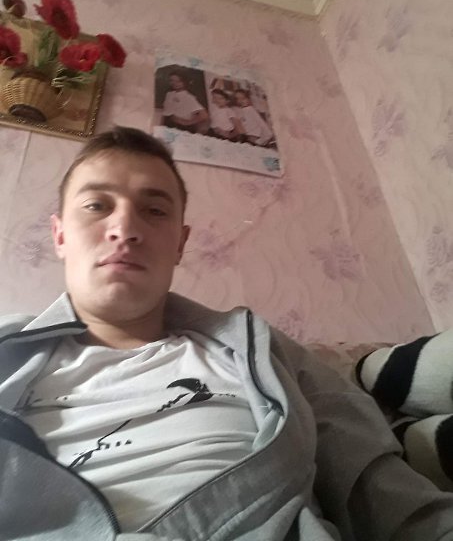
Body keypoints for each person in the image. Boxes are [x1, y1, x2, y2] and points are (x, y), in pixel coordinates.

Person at [1, 126, 453, 541]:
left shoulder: (256, 348)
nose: (124, 228)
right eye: (97, 206)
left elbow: (378, 484)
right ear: (60, 236)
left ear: (180, 243)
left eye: (154, 210)